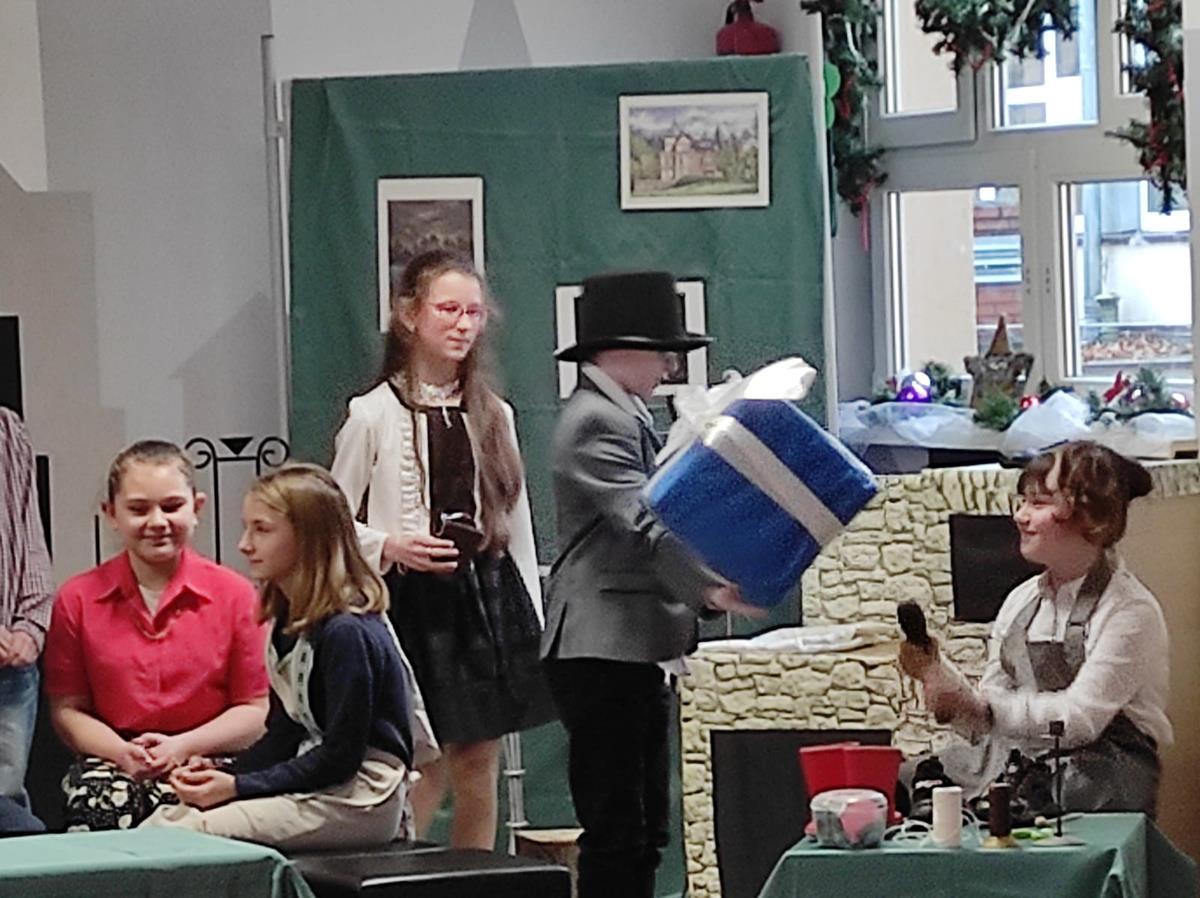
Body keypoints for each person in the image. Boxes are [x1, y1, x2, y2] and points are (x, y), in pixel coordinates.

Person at [541, 270, 762, 898]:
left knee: (642, 831)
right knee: (619, 831)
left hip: (629, 644)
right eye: (663, 352)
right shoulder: (595, 420)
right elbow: (643, 521)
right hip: (602, 645)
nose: (670, 366)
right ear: (620, 351)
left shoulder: (621, 413)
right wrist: (709, 588)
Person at [330, 249, 552, 849]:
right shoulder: (372, 415)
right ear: (409, 315)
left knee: (477, 762)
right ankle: (399, 875)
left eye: (473, 312)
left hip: (480, 594)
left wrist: (530, 615)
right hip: (406, 601)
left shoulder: (493, 414)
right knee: (420, 764)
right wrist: (390, 545)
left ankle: (475, 879)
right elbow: (334, 520)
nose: (462, 324)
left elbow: (517, 522)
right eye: (448, 309)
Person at [141, 464, 419, 850]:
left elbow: (341, 756)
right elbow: (284, 735)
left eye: (262, 529)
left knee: (182, 833)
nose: (245, 545)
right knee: (167, 816)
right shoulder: (289, 620)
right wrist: (226, 771)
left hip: (360, 798)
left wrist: (239, 787)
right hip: (322, 785)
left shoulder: (347, 633)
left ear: (308, 538)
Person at [900, 440, 1172, 816]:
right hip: (1027, 763)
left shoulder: (1129, 610)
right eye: (1023, 501)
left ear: (1094, 519)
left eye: (1039, 503)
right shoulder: (1021, 601)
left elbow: (1078, 720)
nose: (1020, 516)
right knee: (911, 778)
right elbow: (989, 720)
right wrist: (948, 689)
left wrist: (987, 708)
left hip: (1098, 774)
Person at [43, 440, 269, 830]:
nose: (157, 522)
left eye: (171, 506)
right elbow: (67, 710)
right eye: (138, 509)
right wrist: (123, 753)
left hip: (210, 756)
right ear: (111, 514)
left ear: (197, 508)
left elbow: (255, 709)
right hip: (115, 758)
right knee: (98, 803)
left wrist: (182, 746)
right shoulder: (76, 599)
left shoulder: (237, 596)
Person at [0, 409, 54, 833]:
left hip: (10, 664)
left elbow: (28, 534)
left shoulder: (6, 429)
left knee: (9, 810)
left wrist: (31, 626)